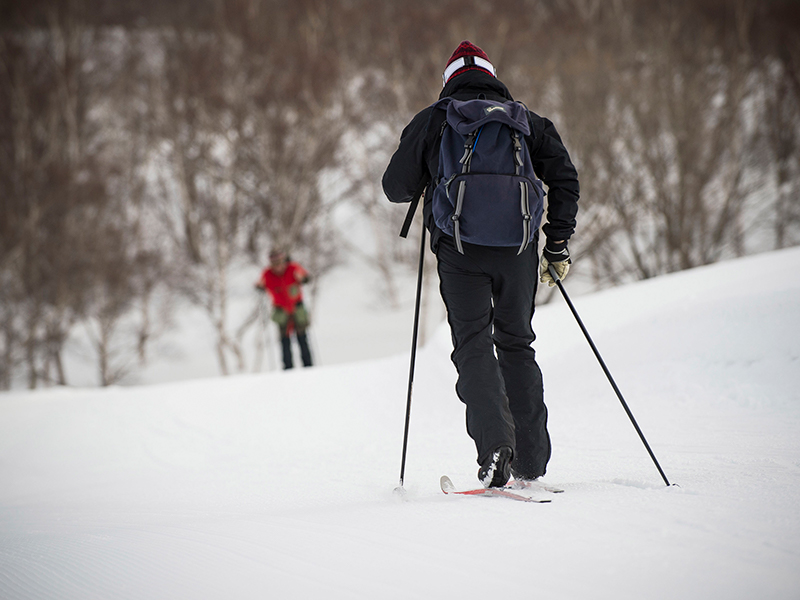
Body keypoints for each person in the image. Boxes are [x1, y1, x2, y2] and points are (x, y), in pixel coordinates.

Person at [382, 41, 579, 488]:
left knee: (473, 343)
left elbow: (395, 187)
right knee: (516, 344)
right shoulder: (527, 121)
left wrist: (428, 166)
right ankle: (531, 461)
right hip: (518, 249)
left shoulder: (436, 118)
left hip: (459, 252)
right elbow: (565, 177)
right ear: (492, 75)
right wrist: (557, 244)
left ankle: (495, 449)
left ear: (448, 79)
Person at [256, 249, 313, 370]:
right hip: (281, 310)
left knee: (302, 338)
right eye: (275, 264)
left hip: (297, 308)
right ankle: (288, 369)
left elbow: (305, 276)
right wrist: (259, 287)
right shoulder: (267, 274)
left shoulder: (293, 268)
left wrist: (303, 279)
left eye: (280, 262)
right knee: (284, 342)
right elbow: (260, 284)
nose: (278, 267)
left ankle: (309, 367)